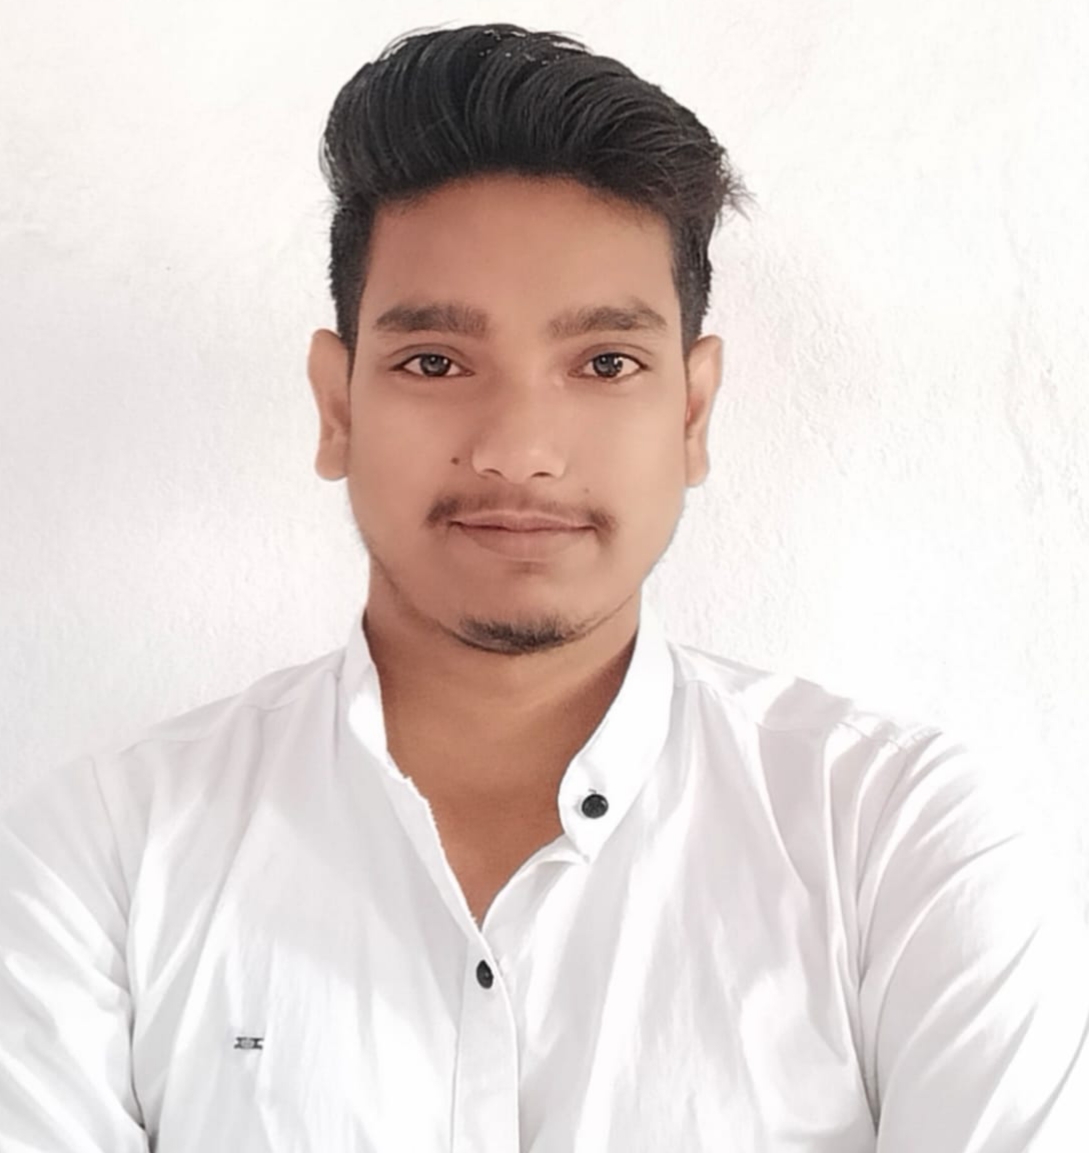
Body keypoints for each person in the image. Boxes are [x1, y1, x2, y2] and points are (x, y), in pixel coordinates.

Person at [2, 21, 1087, 1152]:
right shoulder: (102, 861)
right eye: (434, 362)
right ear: (336, 407)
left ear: (691, 411)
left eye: (606, 363)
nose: (518, 449)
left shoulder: (896, 843)